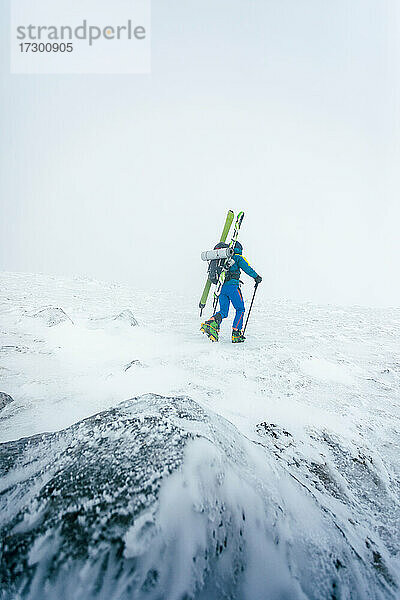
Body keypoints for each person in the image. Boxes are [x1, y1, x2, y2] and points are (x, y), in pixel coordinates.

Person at [201, 241, 262, 343]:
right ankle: (236, 333)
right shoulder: (237, 257)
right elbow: (247, 268)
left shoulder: (224, 258)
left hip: (221, 288)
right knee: (240, 309)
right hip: (232, 287)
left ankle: (211, 323)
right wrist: (257, 277)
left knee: (224, 312)